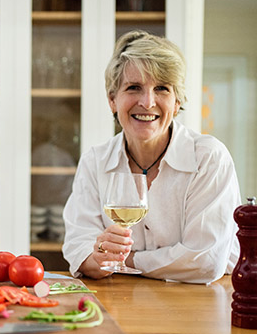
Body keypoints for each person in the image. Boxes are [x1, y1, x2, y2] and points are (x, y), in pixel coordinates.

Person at [62, 30, 240, 284]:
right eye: (134, 87)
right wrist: (99, 258)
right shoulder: (95, 161)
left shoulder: (208, 158)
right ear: (113, 99)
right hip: (119, 302)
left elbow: (205, 260)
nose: (147, 102)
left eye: (161, 89)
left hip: (201, 305)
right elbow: (78, 248)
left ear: (177, 102)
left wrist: (123, 260)